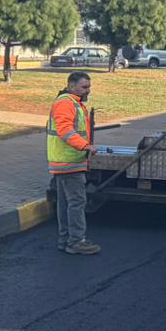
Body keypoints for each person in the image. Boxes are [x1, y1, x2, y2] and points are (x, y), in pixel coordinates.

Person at [47, 71, 99, 255]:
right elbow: (65, 131)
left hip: (65, 161)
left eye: (89, 87)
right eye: (85, 87)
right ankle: (76, 241)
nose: (88, 91)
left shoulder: (71, 103)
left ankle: (66, 239)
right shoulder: (66, 103)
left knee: (65, 204)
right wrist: (86, 146)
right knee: (76, 202)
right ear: (72, 86)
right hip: (69, 162)